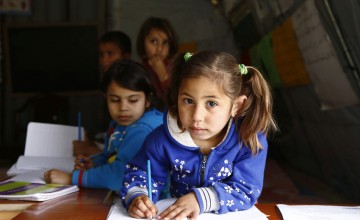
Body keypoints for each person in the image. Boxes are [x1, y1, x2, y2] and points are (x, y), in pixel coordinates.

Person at [120, 51, 278, 219]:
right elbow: (141, 172)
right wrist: (138, 196)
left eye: (211, 103)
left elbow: (246, 189)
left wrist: (199, 199)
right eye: (188, 101)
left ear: (237, 106)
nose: (196, 116)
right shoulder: (161, 140)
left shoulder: (249, 139)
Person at [44, 60, 163, 191]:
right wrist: (94, 163)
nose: (123, 107)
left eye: (133, 100)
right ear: (105, 97)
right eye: (115, 100)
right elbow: (112, 156)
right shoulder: (119, 124)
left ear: (147, 100)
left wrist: (72, 178)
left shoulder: (142, 130)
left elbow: (120, 175)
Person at [73, 30, 132, 157]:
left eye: (110, 54)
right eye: (101, 54)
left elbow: (123, 158)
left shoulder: (133, 83)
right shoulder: (106, 82)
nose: (104, 60)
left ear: (126, 57)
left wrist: (91, 151)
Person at [136, 16, 179, 109]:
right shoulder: (137, 70)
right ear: (143, 43)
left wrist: (163, 76)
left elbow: (175, 103)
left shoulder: (176, 69)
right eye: (154, 41)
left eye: (165, 43)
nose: (159, 49)